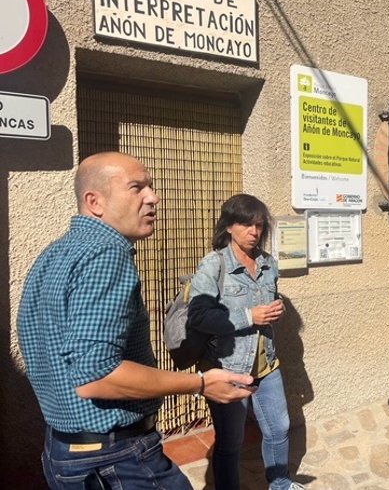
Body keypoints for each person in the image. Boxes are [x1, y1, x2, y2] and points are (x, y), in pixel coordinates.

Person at [17, 152, 255, 490]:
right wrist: (201, 384)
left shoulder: (54, 253)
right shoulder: (105, 255)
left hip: (64, 452)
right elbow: (96, 376)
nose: (153, 197)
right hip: (117, 460)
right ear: (94, 202)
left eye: (151, 187)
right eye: (136, 187)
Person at [188, 194, 303, 490]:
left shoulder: (268, 264)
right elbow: (198, 316)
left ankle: (280, 483)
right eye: (246, 225)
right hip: (229, 367)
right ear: (228, 226)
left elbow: (269, 301)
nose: (254, 232)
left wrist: (276, 308)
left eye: (259, 226)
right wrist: (249, 316)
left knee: (279, 429)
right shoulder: (214, 265)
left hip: (266, 363)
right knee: (230, 441)